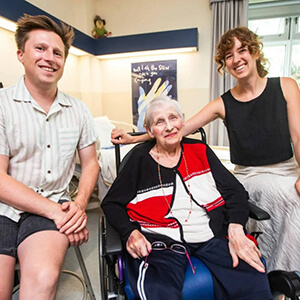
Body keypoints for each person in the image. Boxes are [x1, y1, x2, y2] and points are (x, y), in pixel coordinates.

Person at [111, 27, 300, 273]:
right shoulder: (223, 102)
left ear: (254, 52)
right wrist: (133, 138)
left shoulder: (286, 86)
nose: (237, 59)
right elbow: (176, 128)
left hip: (287, 168)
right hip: (251, 174)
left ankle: (284, 266)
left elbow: (297, 136)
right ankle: (282, 274)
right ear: (225, 64)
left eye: (242, 50)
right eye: (229, 56)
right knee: (293, 199)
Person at [102, 96, 272, 300]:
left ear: (182, 120)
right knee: (157, 291)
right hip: (161, 242)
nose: (169, 127)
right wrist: (130, 232)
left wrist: (235, 227)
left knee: (252, 274)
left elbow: (235, 192)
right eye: (159, 122)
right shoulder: (139, 160)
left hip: (212, 235)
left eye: (173, 118)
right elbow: (112, 203)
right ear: (150, 131)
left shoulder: (200, 151)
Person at [0, 14, 99, 299]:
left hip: (53, 205)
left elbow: (91, 163)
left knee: (43, 279)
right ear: (21, 54)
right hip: (4, 208)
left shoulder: (78, 110)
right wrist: (58, 212)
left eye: (57, 53)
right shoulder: (3, 105)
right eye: (40, 48)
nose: (50, 58)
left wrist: (79, 206)